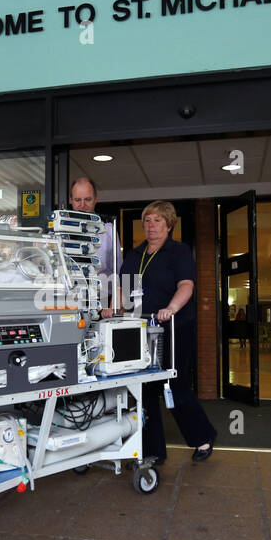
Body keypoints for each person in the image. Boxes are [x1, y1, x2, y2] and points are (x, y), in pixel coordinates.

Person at [118, 201, 217, 464]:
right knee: (145, 390)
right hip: (141, 330)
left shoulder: (178, 252)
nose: (151, 226)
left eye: (157, 221)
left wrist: (170, 308)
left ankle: (202, 437)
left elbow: (186, 285)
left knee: (175, 385)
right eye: (147, 221)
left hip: (173, 327)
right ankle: (152, 452)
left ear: (169, 224)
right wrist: (114, 309)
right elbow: (125, 291)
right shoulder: (135, 254)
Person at [70, 176, 117, 312]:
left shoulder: (108, 230)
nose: (82, 205)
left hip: (102, 302)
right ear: (71, 200)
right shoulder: (60, 231)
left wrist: (115, 304)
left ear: (95, 199)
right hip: (71, 300)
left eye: (88, 199)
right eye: (78, 200)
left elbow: (118, 271)